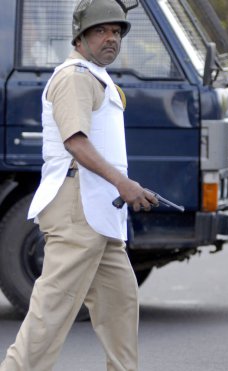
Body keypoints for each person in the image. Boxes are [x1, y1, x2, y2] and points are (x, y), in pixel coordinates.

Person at [0, 0, 158, 370]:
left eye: (117, 32)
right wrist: (125, 184)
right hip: (77, 208)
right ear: (80, 35)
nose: (111, 39)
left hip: (98, 212)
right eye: (101, 31)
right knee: (51, 312)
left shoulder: (94, 75)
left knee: (120, 303)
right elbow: (76, 141)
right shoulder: (73, 77)